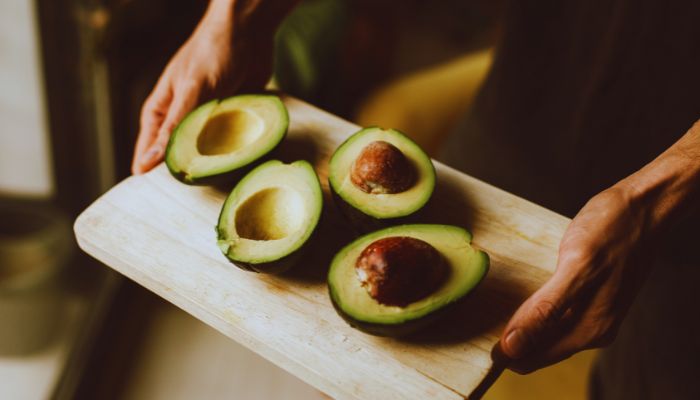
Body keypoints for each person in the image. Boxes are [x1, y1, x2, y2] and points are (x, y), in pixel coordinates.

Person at [132, 0, 700, 397]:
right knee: (362, 376)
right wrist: (236, 16)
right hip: (533, 106)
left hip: (690, 200)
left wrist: (660, 191)